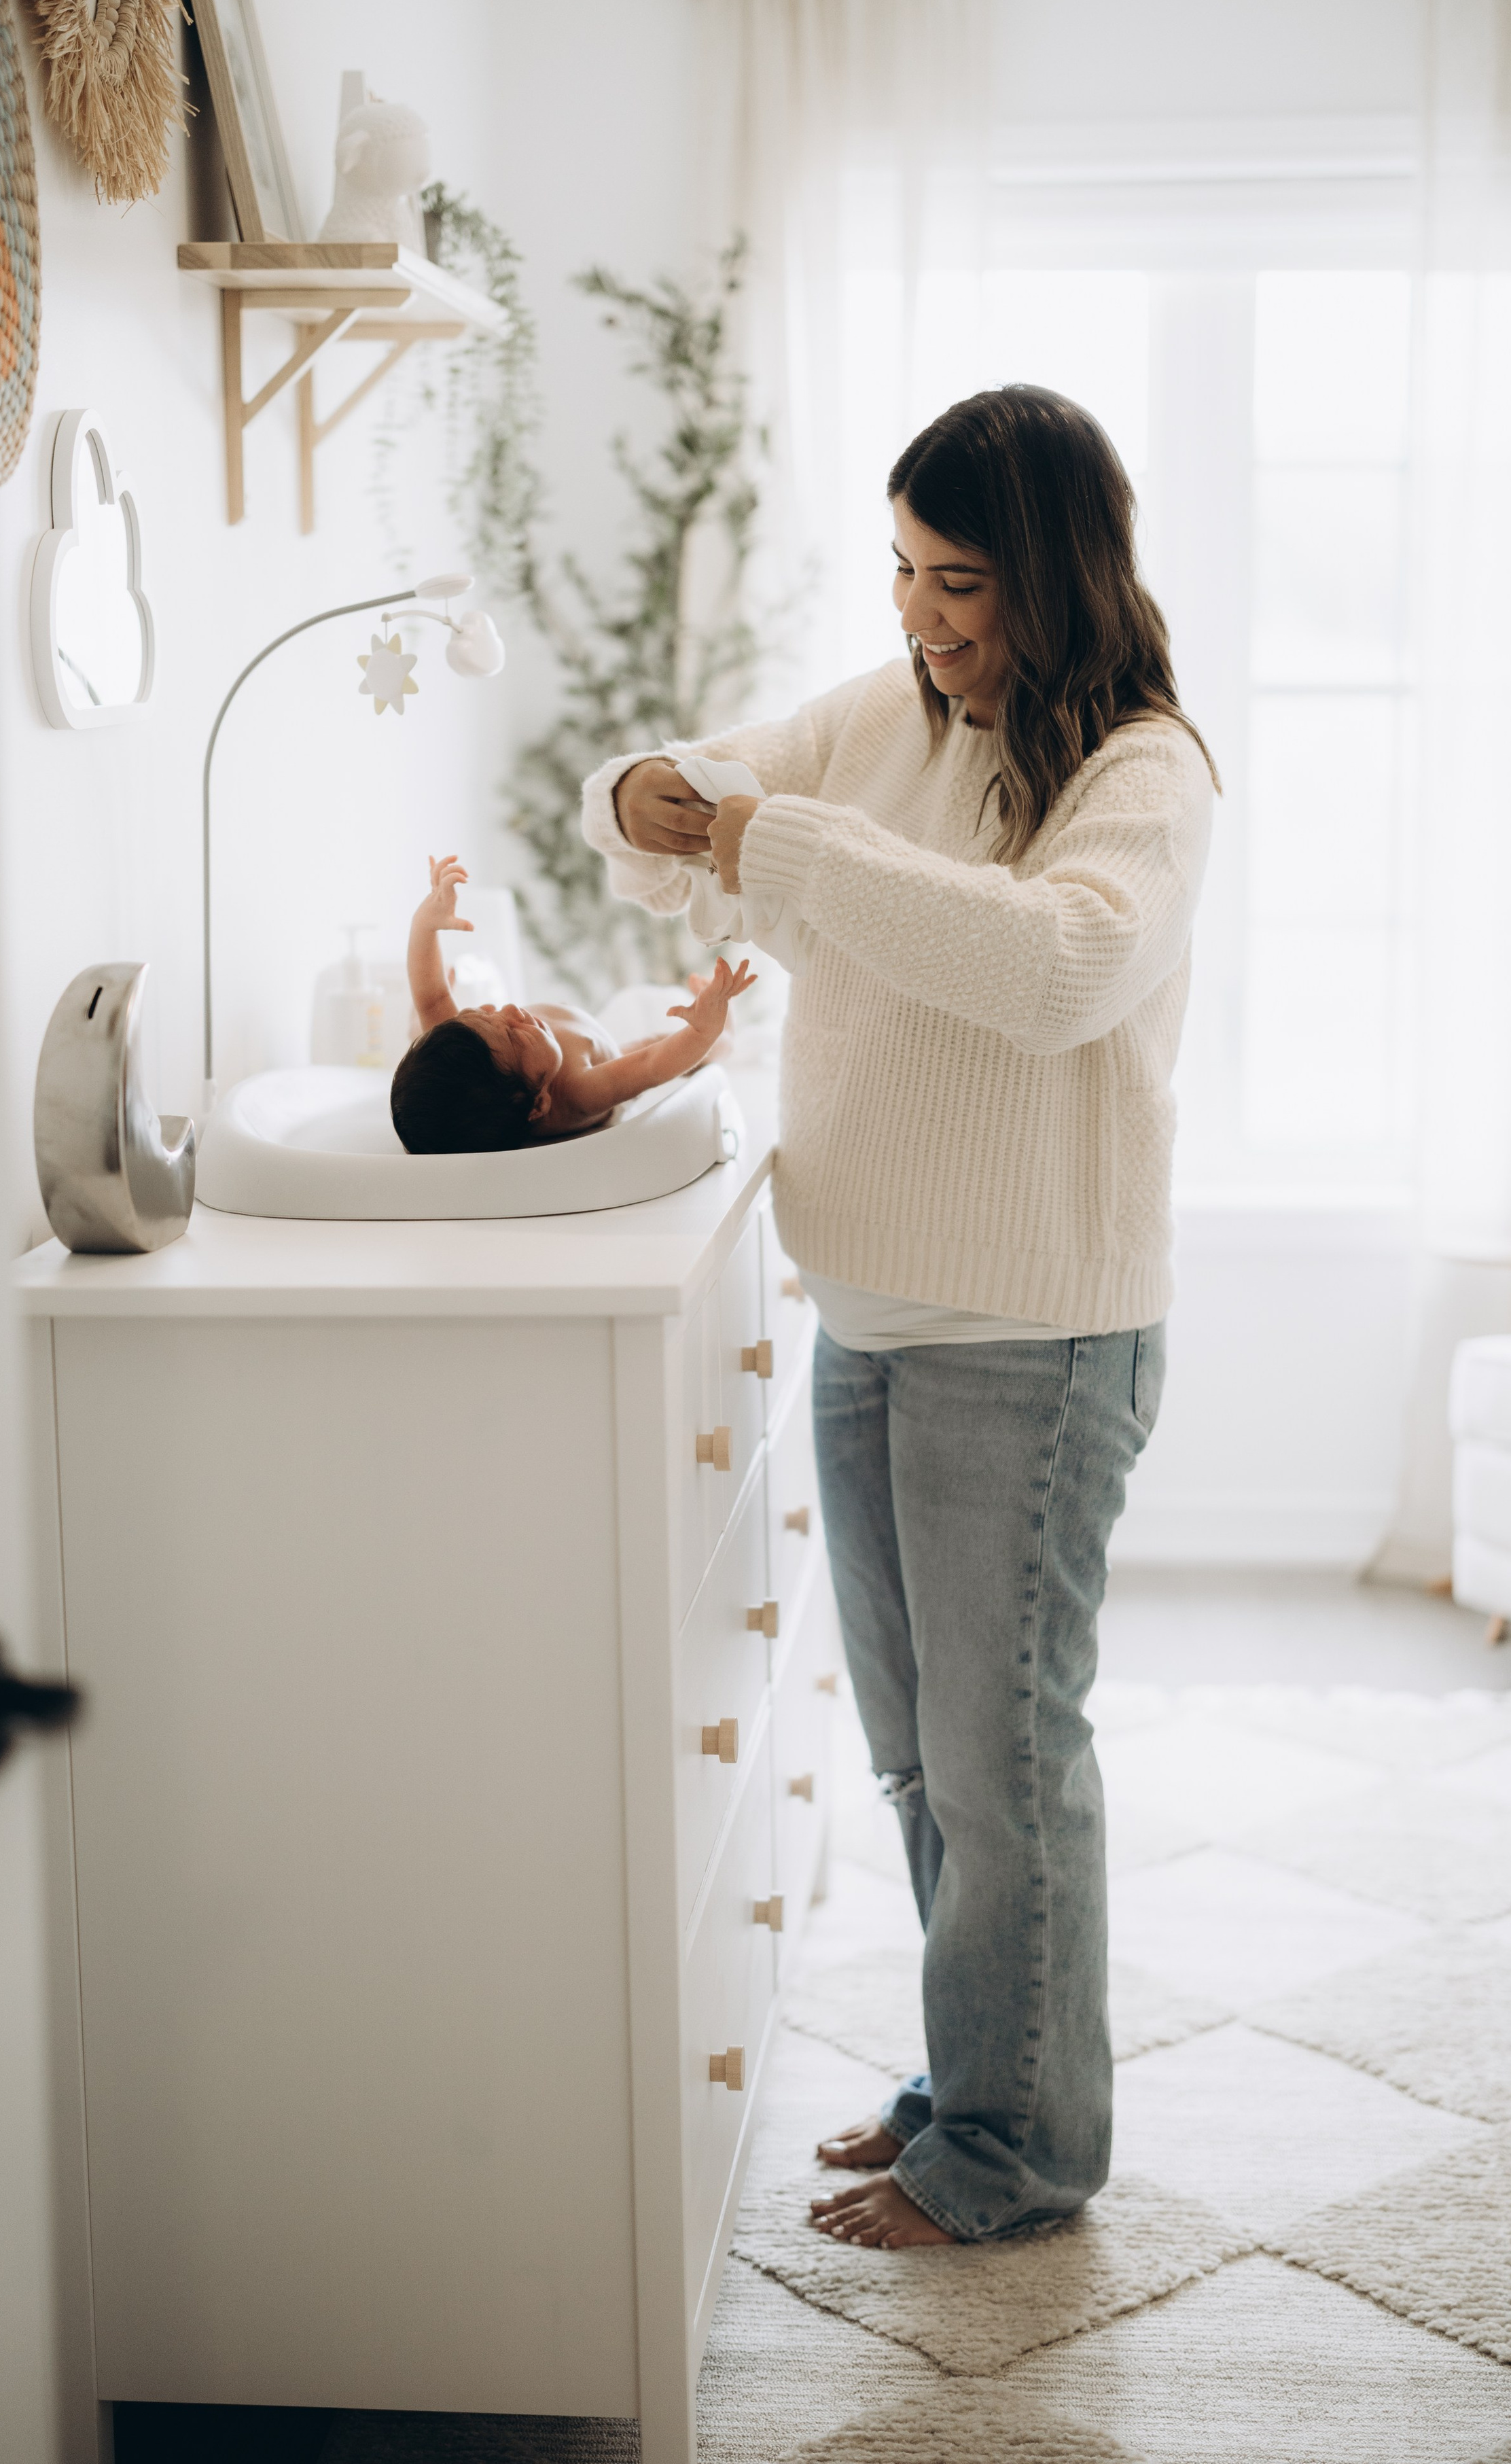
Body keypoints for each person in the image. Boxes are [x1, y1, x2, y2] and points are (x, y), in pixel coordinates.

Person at [582, 385, 1220, 2249]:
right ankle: (975, 2080)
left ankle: (1022, 2156)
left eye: (963, 584)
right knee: (931, 1758)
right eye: (904, 573)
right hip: (868, 1312)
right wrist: (646, 792)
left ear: (1059, 580)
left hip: (1028, 1333)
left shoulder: (1142, 773)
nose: (924, 619)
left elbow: (1054, 971)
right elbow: (672, 814)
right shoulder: (891, 718)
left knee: (1009, 1764)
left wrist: (763, 839)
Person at [389, 852, 755, 1152]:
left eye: (486, 1013)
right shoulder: (581, 1092)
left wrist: (425, 924)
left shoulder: (472, 1047)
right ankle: (726, 1033)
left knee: (431, 1023)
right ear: (539, 1104)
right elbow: (652, 1064)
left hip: (566, 1042)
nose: (511, 1010)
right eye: (516, 1036)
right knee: (668, 1042)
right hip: (608, 1054)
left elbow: (431, 994)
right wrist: (704, 1028)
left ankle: (415, 1031)